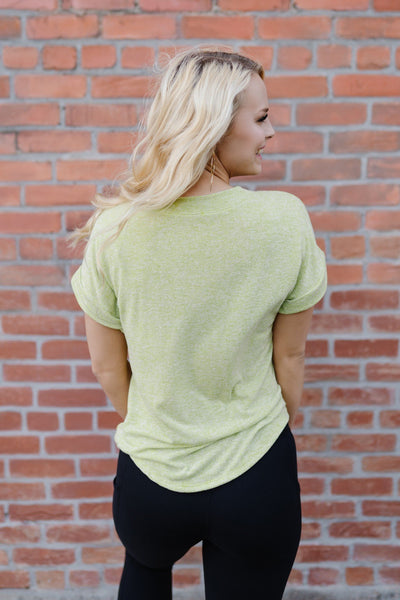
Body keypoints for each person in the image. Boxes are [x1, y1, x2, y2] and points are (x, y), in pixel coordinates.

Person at [71, 47, 327, 600]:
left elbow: (105, 367)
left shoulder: (116, 228)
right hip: (255, 470)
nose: (271, 132)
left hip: (151, 473)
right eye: (261, 118)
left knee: (142, 575)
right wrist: (263, 434)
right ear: (216, 124)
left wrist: (162, 426)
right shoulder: (284, 220)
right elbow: (290, 356)